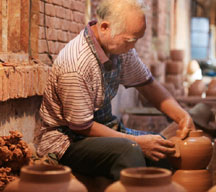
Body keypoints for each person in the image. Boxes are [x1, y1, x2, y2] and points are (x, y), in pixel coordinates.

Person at [35, 0, 195, 181]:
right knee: (129, 152)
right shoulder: (76, 65)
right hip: (67, 141)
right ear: (104, 27)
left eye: (137, 39)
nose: (133, 46)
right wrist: (137, 142)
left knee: (163, 149)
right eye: (130, 40)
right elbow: (83, 127)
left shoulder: (121, 49)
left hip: (103, 128)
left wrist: (182, 116)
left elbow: (147, 85)